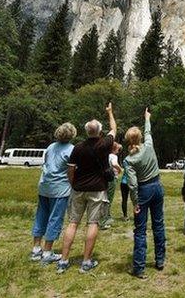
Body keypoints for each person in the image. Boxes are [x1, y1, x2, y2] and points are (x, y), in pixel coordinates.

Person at [57, 103, 117, 274]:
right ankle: (86, 262)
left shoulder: (78, 147)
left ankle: (63, 260)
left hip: (79, 188)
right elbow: (114, 128)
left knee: (73, 223)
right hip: (97, 189)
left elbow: (70, 168)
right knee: (92, 223)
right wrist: (110, 112)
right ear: (99, 131)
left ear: (86, 131)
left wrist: (72, 183)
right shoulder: (104, 144)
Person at [124, 107, 166, 279]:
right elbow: (148, 130)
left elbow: (132, 185)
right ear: (140, 138)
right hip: (157, 187)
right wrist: (147, 117)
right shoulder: (149, 145)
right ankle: (160, 260)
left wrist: (135, 203)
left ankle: (139, 268)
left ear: (127, 141)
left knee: (140, 230)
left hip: (143, 190)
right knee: (159, 224)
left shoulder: (129, 160)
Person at [30, 123, 77, 264]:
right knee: (55, 218)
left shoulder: (50, 147)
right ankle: (47, 251)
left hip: (44, 185)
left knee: (41, 216)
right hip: (60, 189)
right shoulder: (71, 150)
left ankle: (36, 249)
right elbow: (72, 170)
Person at [100, 142, 123, 230]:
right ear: (114, 149)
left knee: (104, 198)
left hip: (104, 179)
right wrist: (120, 169)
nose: (118, 151)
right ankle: (105, 220)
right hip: (111, 179)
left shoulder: (106, 155)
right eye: (117, 149)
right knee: (109, 199)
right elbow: (114, 164)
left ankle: (106, 216)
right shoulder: (113, 156)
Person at [120, 154, 130, 221]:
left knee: (124, 200)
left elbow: (126, 170)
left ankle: (125, 216)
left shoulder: (125, 160)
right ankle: (138, 215)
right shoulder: (137, 159)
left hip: (124, 182)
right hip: (132, 182)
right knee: (136, 199)